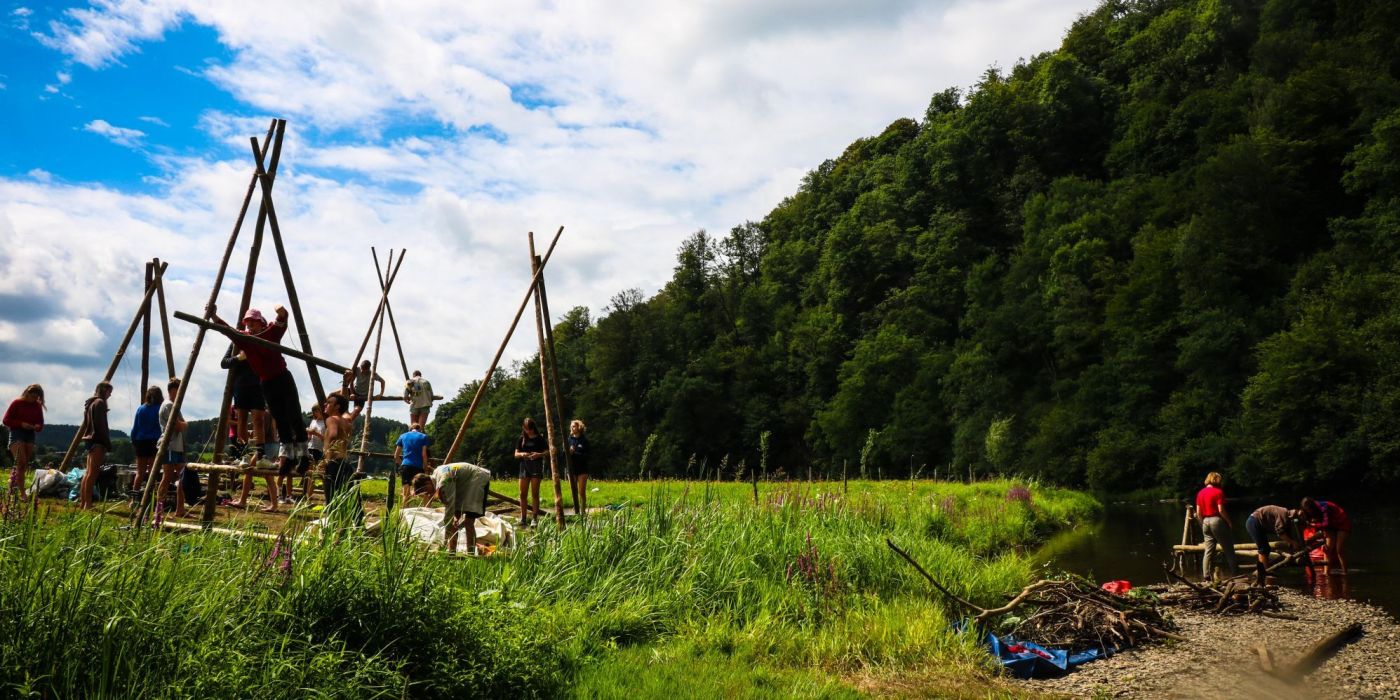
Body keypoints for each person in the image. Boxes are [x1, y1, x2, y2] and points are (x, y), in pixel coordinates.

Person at [209, 304, 310, 510]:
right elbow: (227, 330)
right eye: (248, 323)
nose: (250, 327)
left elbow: (283, 318)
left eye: (253, 322)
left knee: (294, 416)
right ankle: (289, 458)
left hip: (282, 377)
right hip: (266, 382)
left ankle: (303, 456)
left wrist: (280, 311)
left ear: (261, 323)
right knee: (280, 419)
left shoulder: (270, 332)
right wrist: (213, 316)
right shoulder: (244, 340)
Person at [411, 462, 491, 554]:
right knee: (454, 522)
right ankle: (452, 552)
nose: (428, 494)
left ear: (427, 482)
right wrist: (456, 517)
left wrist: (445, 538)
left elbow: (450, 506)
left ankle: (470, 553)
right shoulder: (437, 474)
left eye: (425, 490)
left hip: (477, 478)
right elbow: (452, 502)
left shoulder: (444, 481)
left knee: (469, 521)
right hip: (466, 483)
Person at [320, 392, 364, 519]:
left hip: (333, 465)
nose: (325, 404)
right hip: (345, 464)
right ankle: (358, 526)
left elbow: (333, 435)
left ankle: (333, 528)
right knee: (352, 500)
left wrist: (327, 458)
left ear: (337, 407)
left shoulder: (331, 419)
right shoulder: (346, 422)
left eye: (329, 403)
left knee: (331, 501)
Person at [221, 342, 267, 459]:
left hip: (258, 384)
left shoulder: (261, 342)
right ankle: (244, 455)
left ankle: (260, 455)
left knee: (259, 419)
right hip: (241, 385)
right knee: (242, 419)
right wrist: (239, 357)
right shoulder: (235, 343)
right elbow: (224, 363)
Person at [155, 377, 190, 519]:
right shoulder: (169, 405)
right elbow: (178, 426)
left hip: (177, 446)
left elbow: (181, 424)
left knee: (182, 476)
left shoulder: (174, 405)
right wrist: (184, 424)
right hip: (169, 445)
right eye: (179, 389)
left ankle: (180, 509)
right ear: (172, 390)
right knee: (167, 476)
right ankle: (159, 511)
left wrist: (183, 424)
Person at [3, 384, 45, 499]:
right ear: (27, 393)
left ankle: (12, 487)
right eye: (32, 396)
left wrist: (37, 426)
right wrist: (21, 424)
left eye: (36, 397)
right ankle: (22, 493)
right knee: (21, 463)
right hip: (17, 434)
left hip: (30, 435)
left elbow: (41, 424)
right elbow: (6, 420)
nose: (33, 399)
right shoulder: (16, 403)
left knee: (23, 465)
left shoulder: (37, 406)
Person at [77, 381, 114, 510]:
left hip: (90, 440)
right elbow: (101, 426)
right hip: (98, 440)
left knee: (88, 473)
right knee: (93, 473)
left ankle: (83, 502)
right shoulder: (100, 403)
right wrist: (107, 443)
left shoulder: (91, 403)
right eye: (109, 391)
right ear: (104, 390)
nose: (110, 394)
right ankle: (87, 503)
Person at [1245, 504, 1303, 584]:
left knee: (1265, 548)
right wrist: (1293, 542)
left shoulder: (1287, 519)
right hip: (1254, 521)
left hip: (1257, 522)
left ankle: (1263, 571)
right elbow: (1281, 533)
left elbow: (1288, 535)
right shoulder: (1284, 514)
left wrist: (1292, 546)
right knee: (1263, 549)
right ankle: (1266, 572)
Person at [1195, 471, 1235, 580]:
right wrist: (1229, 522)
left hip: (1205, 522)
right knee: (1228, 549)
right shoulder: (1218, 492)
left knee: (1208, 551)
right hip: (1216, 520)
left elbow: (1198, 513)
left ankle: (1206, 576)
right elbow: (1221, 510)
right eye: (1219, 480)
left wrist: (1202, 523)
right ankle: (1235, 574)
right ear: (1216, 480)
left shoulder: (1200, 493)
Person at [1300, 497, 1351, 575]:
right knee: (1327, 549)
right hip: (1330, 526)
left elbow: (1325, 523)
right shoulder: (1308, 511)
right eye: (1307, 510)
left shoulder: (1324, 506)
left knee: (1339, 549)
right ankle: (1326, 572)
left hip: (1341, 523)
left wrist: (1312, 524)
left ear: (1312, 507)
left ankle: (1345, 572)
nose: (1309, 511)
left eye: (1309, 509)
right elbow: (1323, 526)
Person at [514, 417, 548, 525]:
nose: (528, 431)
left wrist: (539, 454)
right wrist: (522, 454)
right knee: (522, 494)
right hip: (524, 467)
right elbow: (516, 454)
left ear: (533, 428)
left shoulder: (540, 438)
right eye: (526, 429)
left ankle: (534, 518)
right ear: (523, 428)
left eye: (530, 429)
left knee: (535, 493)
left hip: (536, 466)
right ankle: (523, 518)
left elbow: (548, 452)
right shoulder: (521, 439)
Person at [130, 385, 163, 494]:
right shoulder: (160, 409)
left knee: (140, 472)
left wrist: (134, 441)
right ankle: (150, 495)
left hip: (141, 442)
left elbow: (135, 428)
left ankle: (134, 496)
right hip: (154, 441)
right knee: (152, 471)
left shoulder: (141, 408)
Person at [393, 423, 432, 504]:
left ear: (410, 429)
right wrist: (425, 467)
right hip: (418, 467)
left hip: (406, 466)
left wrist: (402, 465)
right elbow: (424, 454)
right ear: (420, 429)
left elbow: (396, 455)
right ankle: (427, 512)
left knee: (405, 493)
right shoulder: (423, 437)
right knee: (423, 492)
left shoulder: (403, 436)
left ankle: (403, 514)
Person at [567, 419, 590, 516]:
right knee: (573, 491)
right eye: (571, 426)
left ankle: (583, 511)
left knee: (581, 491)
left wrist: (574, 453)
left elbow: (587, 455)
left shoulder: (584, 440)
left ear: (579, 427)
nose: (572, 428)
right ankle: (576, 509)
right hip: (571, 468)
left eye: (574, 426)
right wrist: (569, 452)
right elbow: (563, 453)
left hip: (582, 469)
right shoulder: (568, 439)